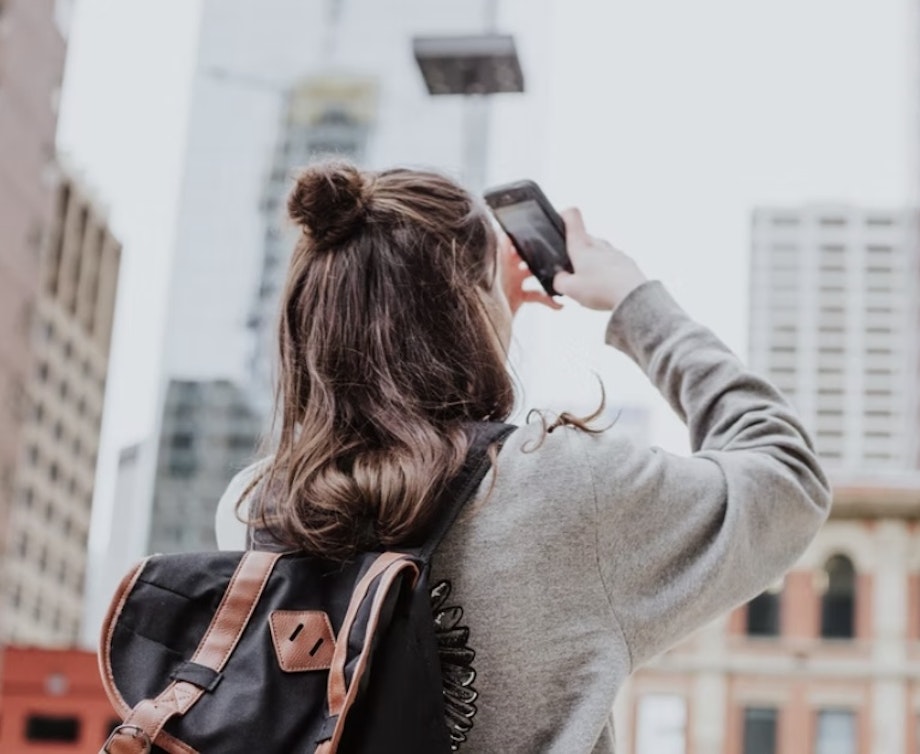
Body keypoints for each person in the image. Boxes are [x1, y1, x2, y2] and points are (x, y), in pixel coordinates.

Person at [215, 161, 830, 753]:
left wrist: (485, 300)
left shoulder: (254, 509)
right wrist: (632, 299)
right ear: (469, 307)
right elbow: (786, 476)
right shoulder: (565, 486)